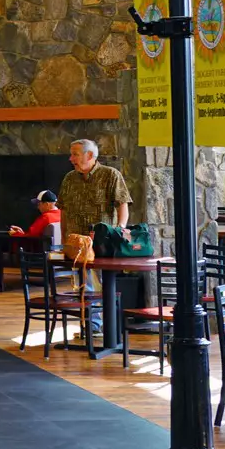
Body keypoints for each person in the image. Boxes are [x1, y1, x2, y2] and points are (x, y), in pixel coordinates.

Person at [58, 139, 131, 332]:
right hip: (75, 244)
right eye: (71, 154)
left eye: (75, 154)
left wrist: (120, 230)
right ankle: (90, 327)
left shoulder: (110, 175)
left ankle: (102, 328)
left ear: (89, 155)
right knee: (83, 286)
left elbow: (122, 204)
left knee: (98, 285)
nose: (70, 158)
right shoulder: (69, 178)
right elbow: (63, 210)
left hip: (101, 243)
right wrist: (63, 238)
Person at [0, 190, 61, 292]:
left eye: (39, 204)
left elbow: (30, 237)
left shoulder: (46, 217)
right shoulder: (60, 215)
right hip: (50, 249)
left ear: (47, 204)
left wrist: (16, 234)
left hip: (33, 250)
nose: (38, 207)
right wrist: (21, 232)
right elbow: (33, 234)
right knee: (3, 238)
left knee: (1, 237)